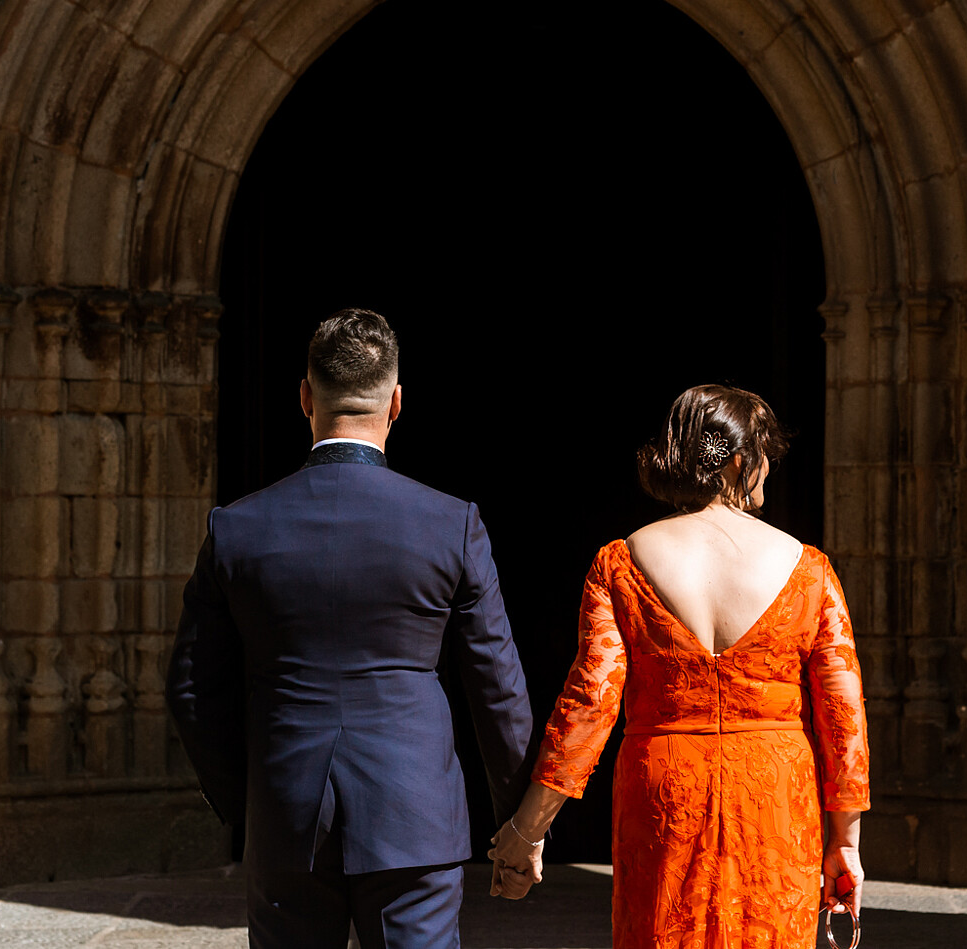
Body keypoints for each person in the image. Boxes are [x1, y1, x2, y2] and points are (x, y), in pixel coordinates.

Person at [169, 308, 536, 948]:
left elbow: (194, 688)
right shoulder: (452, 523)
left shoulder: (237, 528)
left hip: (285, 812)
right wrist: (519, 823)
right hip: (413, 814)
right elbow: (497, 688)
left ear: (305, 397)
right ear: (397, 404)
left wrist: (252, 802)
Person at [488, 384, 870, 948]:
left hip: (664, 788)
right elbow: (844, 717)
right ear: (740, 460)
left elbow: (590, 704)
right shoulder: (809, 568)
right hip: (775, 793)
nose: (769, 469)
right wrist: (846, 844)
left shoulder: (621, 562)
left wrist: (528, 829)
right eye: (765, 454)